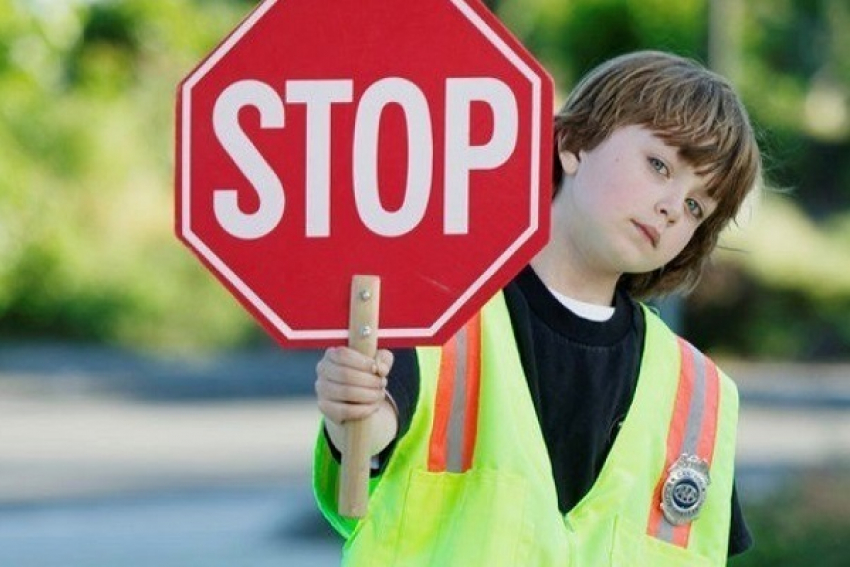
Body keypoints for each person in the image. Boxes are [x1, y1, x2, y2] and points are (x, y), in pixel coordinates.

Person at [312, 50, 762, 566]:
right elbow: (365, 435)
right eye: (658, 165)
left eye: (695, 207)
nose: (671, 207)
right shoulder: (444, 313)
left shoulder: (700, 395)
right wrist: (350, 405)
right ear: (573, 144)